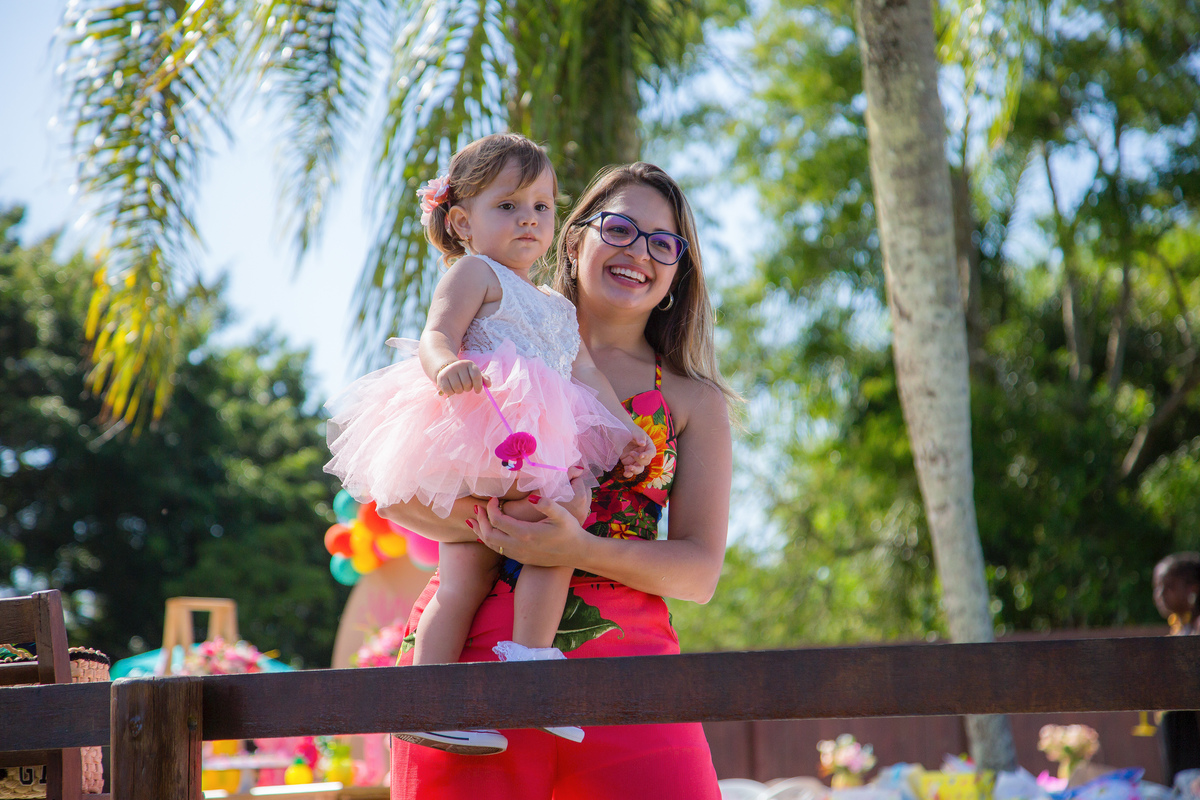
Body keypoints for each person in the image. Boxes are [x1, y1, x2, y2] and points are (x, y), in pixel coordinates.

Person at [380, 161, 737, 799]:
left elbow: (699, 573)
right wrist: (500, 522)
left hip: (629, 671)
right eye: (621, 229)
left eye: (664, 244)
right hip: (467, 672)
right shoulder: (488, 343)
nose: (640, 254)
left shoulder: (694, 401)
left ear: (678, 274)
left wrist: (577, 550)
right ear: (575, 241)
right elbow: (396, 495)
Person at [325, 133, 655, 755]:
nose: (529, 219)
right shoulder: (474, 271)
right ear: (461, 221)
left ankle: (454, 696)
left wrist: (625, 426)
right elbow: (435, 334)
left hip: (534, 438)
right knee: (550, 523)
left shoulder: (557, 307)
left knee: (478, 571)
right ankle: (507, 675)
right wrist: (446, 363)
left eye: (542, 206)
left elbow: (585, 374)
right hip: (483, 426)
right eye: (508, 206)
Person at [1154, 552, 1200, 784]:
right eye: (1158, 587)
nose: (1160, 595)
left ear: (1194, 589)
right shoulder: (1182, 628)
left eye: (1169, 586)